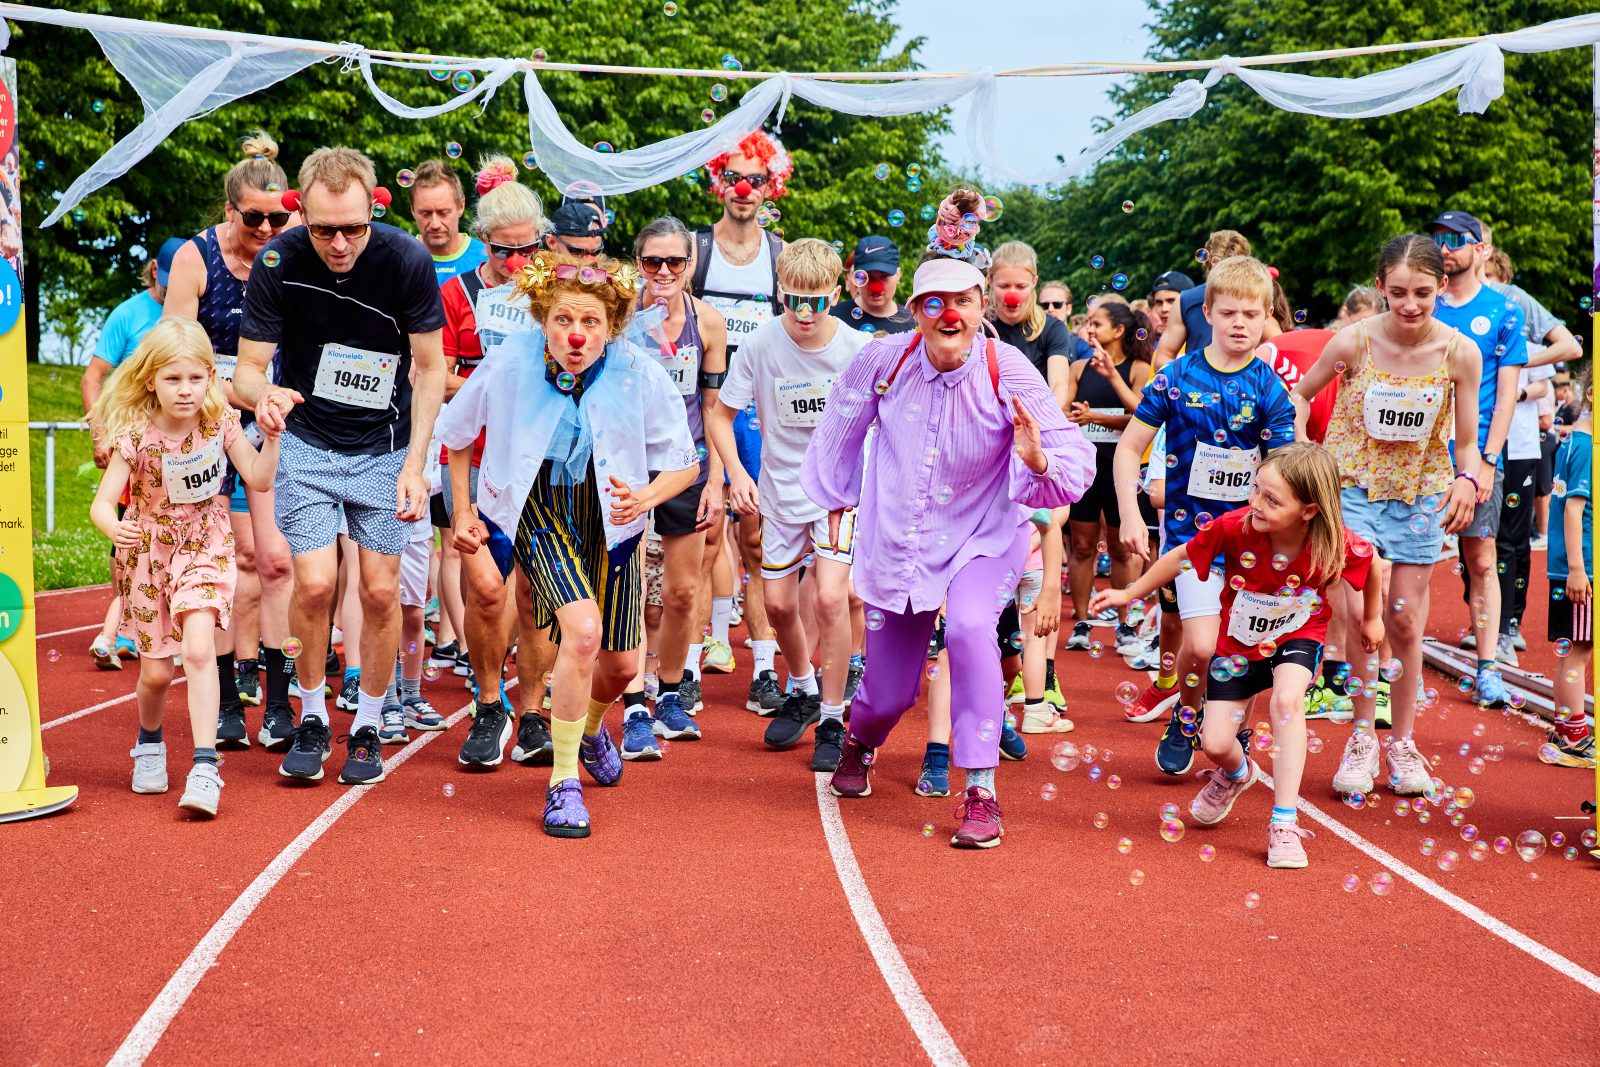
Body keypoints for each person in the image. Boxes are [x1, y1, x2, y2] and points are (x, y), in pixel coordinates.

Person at [807, 257, 1094, 849]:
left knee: (968, 628)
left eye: (963, 300)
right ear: (915, 312)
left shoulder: (1006, 368)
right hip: (902, 537)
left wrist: (1037, 458)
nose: (950, 313)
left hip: (986, 534)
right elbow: (840, 424)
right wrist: (835, 496)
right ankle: (861, 738)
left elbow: (1072, 460)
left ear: (980, 306)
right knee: (888, 695)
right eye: (935, 302)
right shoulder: (883, 361)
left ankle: (980, 790)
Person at [437, 251, 699, 837]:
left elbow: (684, 462)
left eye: (590, 323)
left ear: (612, 326)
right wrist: (464, 509)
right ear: (543, 318)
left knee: (622, 665)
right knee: (582, 633)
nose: (575, 336)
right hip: (544, 512)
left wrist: (647, 498)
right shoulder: (509, 363)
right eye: (562, 320)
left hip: (617, 520)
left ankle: (585, 730)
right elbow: (454, 435)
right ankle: (562, 786)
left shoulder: (638, 369)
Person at [234, 146, 447, 786]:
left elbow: (432, 368)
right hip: (305, 440)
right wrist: (263, 395)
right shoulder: (278, 260)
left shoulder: (406, 259)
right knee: (317, 584)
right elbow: (247, 368)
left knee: (381, 590)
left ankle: (369, 725)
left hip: (385, 446)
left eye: (353, 227)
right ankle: (313, 716)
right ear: (302, 212)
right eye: (324, 228)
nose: (339, 242)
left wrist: (416, 464)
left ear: (373, 210)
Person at [1094, 443, 1381, 868]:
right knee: (1213, 743)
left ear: (1308, 510)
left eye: (1271, 499)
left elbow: (1371, 562)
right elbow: (1178, 557)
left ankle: (1284, 822)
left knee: (1287, 702)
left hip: (1298, 635)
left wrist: (1372, 617)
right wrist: (1129, 592)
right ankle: (1236, 773)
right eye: (1256, 491)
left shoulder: (1334, 540)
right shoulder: (1235, 528)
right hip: (1238, 645)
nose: (1255, 504)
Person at [1291, 235, 1483, 796]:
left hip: (1422, 495)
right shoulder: (1353, 342)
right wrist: (1305, 447)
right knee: (1356, 617)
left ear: (1441, 287)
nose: (1409, 305)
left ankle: (1402, 741)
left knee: (1403, 623)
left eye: (1422, 293)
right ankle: (1360, 737)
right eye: (1397, 292)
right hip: (1352, 490)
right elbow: (1301, 395)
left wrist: (1468, 480)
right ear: (1380, 286)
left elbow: (1466, 443)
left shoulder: (1459, 353)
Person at [88, 319, 281, 817]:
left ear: (211, 377)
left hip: (204, 543)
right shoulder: (135, 436)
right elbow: (102, 505)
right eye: (173, 379)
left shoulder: (220, 423)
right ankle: (149, 741)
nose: (186, 390)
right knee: (155, 672)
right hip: (149, 552)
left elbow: (258, 479)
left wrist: (273, 438)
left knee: (198, 650)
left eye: (196, 378)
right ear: (150, 379)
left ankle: (204, 767)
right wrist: (115, 529)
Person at [1111, 256, 1297, 772]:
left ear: (1267, 320)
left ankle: (1236, 722)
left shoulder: (1270, 389)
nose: (1241, 323)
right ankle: (1187, 713)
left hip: (1255, 541)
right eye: (1230, 312)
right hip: (1191, 538)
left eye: (1252, 315)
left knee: (1247, 644)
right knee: (1199, 642)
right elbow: (1129, 449)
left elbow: (1286, 467)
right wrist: (1130, 512)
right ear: (1207, 314)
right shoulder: (1176, 377)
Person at [706, 239, 868, 771]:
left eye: (817, 301)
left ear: (837, 295)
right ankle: (800, 686)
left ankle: (832, 714)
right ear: (779, 292)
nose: (804, 313)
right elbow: (720, 415)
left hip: (839, 496)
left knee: (828, 598)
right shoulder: (758, 345)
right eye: (794, 300)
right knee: (776, 605)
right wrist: (735, 474)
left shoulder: (856, 350)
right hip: (778, 491)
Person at [163, 130, 298, 751]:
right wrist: (235, 392)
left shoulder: (298, 254)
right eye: (255, 218)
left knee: (273, 560)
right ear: (229, 212)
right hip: (211, 423)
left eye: (280, 215)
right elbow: (175, 354)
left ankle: (276, 698)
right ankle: (221, 697)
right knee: (225, 563)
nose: (269, 227)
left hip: (275, 419)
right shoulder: (196, 260)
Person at [433, 158, 554, 765]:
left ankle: (530, 710)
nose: (516, 264)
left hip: (547, 463)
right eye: (505, 252)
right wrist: (492, 383)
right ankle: (487, 703)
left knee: (537, 596)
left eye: (528, 250)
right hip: (480, 460)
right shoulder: (456, 293)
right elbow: (437, 375)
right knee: (485, 589)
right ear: (485, 243)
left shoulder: (556, 294)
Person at [619, 216, 729, 758]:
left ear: (690, 266)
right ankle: (634, 705)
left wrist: (719, 479)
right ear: (638, 262)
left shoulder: (708, 323)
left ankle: (669, 693)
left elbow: (713, 408)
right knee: (631, 589)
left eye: (675, 262)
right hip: (627, 468)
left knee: (683, 592)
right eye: (652, 261)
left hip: (685, 467)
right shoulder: (621, 314)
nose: (663, 271)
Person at [690, 130, 789, 713]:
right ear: (718, 182)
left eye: (754, 177)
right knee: (702, 539)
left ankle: (764, 668)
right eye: (733, 176)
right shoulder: (696, 252)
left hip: (758, 414)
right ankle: (691, 666)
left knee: (757, 540)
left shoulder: (779, 255)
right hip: (701, 407)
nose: (743, 188)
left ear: (771, 185)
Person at [1425, 209, 1525, 708]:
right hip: (1420, 457)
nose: (1445, 246)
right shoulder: (1425, 304)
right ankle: (1397, 667)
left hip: (1476, 456)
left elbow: (1507, 395)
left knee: (1481, 558)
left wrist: (1487, 460)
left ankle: (1488, 667)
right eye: (1438, 237)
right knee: (1410, 561)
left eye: (1456, 238)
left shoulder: (1506, 312)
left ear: (1481, 248)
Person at [84, 237, 186, 670]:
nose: (170, 287)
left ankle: (153, 625)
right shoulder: (128, 314)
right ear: (154, 272)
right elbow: (94, 377)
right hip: (136, 445)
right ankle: (127, 620)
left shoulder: (195, 310)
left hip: (184, 448)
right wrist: (100, 434)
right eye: (165, 279)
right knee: (132, 529)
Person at [1064, 298, 1153, 656]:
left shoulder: (1139, 368)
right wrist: (1080, 418)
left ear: (1118, 331)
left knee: (1119, 548)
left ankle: (1124, 626)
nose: (1089, 330)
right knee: (1083, 546)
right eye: (1088, 323)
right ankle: (1083, 622)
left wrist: (1096, 417)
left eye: (1097, 324)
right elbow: (1066, 414)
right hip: (1086, 467)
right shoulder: (1077, 368)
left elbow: (1142, 414)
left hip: (1122, 468)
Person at [1539, 366, 1593, 769]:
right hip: (1582, 568)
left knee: (1572, 651)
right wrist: (1578, 569)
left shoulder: (1573, 441)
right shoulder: (1589, 448)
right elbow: (1574, 512)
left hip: (1566, 565)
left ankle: (1564, 727)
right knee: (1580, 651)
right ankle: (1575, 736)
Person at [986, 241, 1075, 410]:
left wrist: (1040, 419)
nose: (1012, 295)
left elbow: (1059, 385)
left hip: (1036, 418)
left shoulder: (1053, 328)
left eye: (1021, 286)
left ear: (1034, 282)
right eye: (1003, 286)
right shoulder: (978, 326)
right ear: (989, 281)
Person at [1153, 230, 1252, 367]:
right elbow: (1163, 357)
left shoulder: (1256, 298)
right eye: (1219, 271)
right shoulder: (1186, 301)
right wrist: (1191, 379)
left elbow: (1275, 347)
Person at [410, 159, 488, 284]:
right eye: (425, 213)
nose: (435, 224)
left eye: (443, 213)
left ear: (461, 206)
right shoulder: (400, 260)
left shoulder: (486, 257)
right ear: (413, 210)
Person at [834, 235, 915, 337]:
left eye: (884, 276)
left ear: (898, 275)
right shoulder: (834, 319)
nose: (876, 287)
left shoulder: (913, 323)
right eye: (868, 277)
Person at [1147, 270, 1195, 338]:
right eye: (1158, 302)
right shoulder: (1149, 343)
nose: (1164, 309)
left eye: (1171, 301)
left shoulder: (1206, 339)